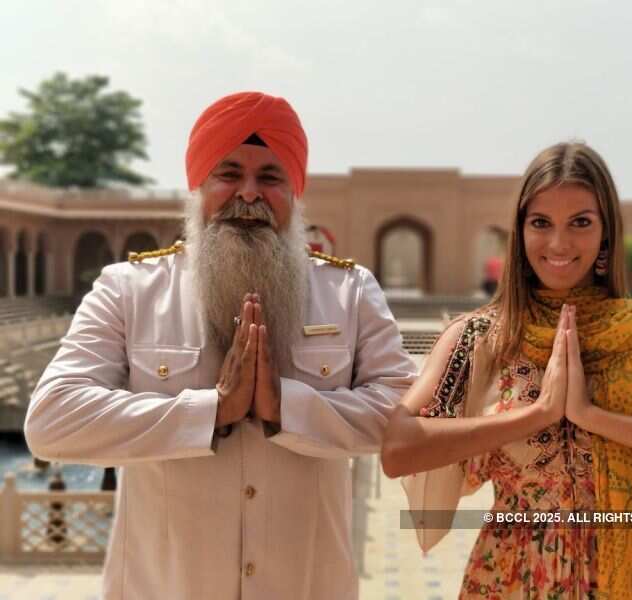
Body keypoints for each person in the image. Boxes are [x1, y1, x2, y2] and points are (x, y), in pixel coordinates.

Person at [25, 91, 416, 600]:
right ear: (199, 185)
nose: (248, 194)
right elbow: (51, 421)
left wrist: (289, 408)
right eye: (228, 174)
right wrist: (209, 413)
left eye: (270, 177)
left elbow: (409, 418)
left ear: (295, 193)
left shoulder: (347, 291)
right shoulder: (129, 290)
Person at [381, 142, 632, 599]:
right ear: (520, 232)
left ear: (606, 232)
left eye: (580, 223)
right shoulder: (483, 339)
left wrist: (592, 416)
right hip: (512, 580)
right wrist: (536, 415)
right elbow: (398, 449)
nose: (559, 244)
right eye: (541, 223)